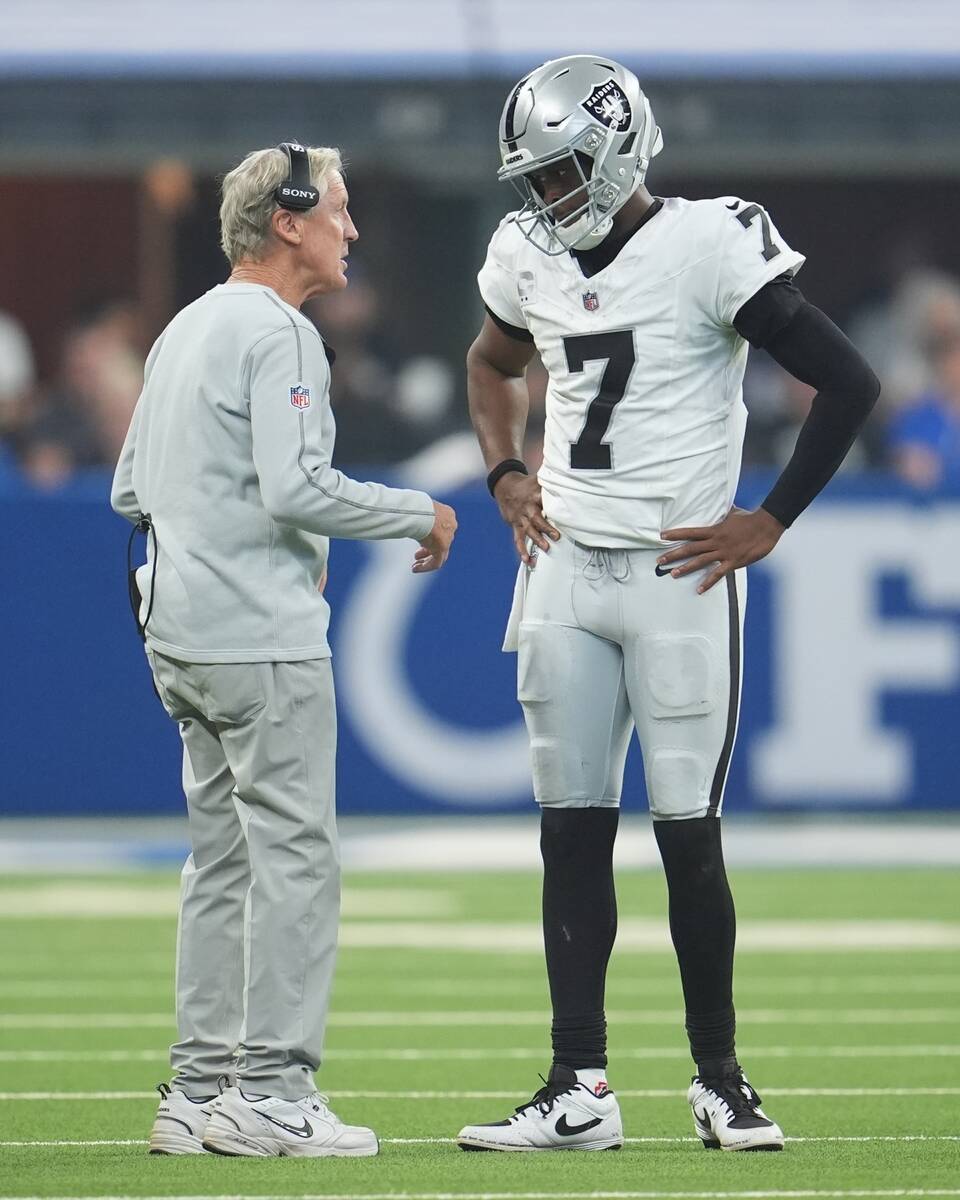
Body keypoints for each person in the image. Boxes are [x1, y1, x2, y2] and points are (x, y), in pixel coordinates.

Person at [457, 57, 878, 1154]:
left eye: (560, 173)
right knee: (569, 832)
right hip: (564, 569)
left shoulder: (707, 242)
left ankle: (721, 1083)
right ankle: (575, 1085)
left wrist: (771, 518)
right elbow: (490, 360)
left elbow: (848, 379)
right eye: (532, 179)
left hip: (679, 574)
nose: (544, 200)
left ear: (617, 149)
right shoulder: (525, 256)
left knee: (689, 836)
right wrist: (505, 474)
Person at [111, 142, 456, 1158]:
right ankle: (270, 1094)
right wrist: (416, 513)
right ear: (289, 221)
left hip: (180, 632)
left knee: (218, 862)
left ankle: (197, 1088)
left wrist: (229, 537)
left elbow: (132, 486)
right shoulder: (279, 332)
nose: (352, 231)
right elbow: (296, 486)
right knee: (296, 860)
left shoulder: (185, 326)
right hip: (258, 637)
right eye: (339, 211)